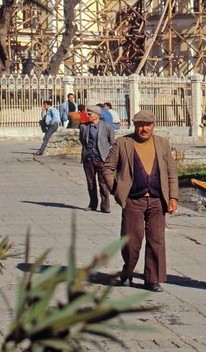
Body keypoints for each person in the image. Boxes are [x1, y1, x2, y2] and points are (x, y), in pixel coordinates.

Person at [102, 110, 178, 291]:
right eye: (140, 125)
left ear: (153, 126)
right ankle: (127, 272)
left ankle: (152, 279)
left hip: (157, 201)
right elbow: (107, 168)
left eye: (148, 125)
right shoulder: (123, 143)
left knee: (156, 241)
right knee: (131, 242)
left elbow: (171, 172)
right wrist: (117, 190)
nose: (144, 129)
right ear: (135, 126)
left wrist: (173, 196)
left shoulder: (162, 144)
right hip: (133, 201)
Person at [80, 106, 117, 212]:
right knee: (90, 183)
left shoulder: (107, 126)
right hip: (89, 159)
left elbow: (112, 141)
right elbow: (82, 140)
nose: (88, 116)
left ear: (97, 115)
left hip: (102, 158)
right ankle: (92, 204)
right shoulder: (84, 127)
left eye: (90, 114)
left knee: (103, 183)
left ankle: (105, 206)